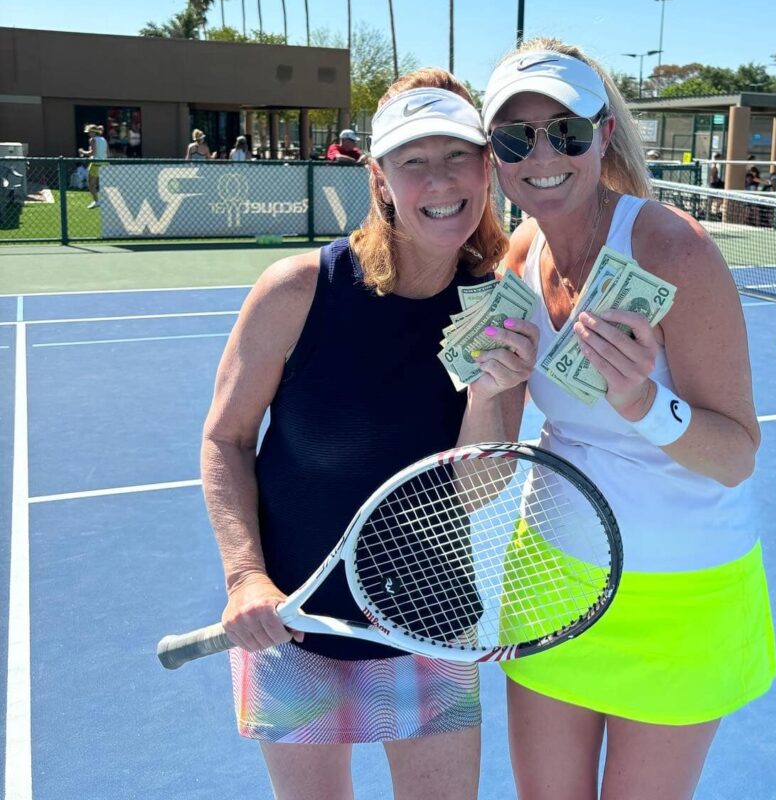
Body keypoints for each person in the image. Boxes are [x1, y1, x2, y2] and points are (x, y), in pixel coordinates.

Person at [200, 68, 538, 800]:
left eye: (458, 155)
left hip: (432, 623)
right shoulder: (297, 290)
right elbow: (226, 439)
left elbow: (477, 490)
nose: (439, 179)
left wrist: (488, 389)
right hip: (291, 626)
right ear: (380, 178)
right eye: (414, 161)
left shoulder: (499, 307)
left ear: (486, 169)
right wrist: (244, 576)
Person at [481, 40, 776, 800]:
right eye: (515, 138)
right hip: (549, 579)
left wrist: (643, 402)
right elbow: (486, 469)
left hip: (682, 596)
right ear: (495, 154)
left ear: (604, 134)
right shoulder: (519, 255)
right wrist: (487, 389)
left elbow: (736, 455)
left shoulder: (675, 250)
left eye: (567, 131)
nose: (542, 155)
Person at [77, 123, 108, 208]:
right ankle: (104, 201)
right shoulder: (104, 139)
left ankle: (96, 201)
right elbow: (107, 153)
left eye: (89, 132)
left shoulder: (92, 140)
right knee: (104, 185)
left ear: (93, 132)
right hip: (105, 164)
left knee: (91, 185)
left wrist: (82, 151)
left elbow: (92, 153)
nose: (88, 134)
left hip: (95, 164)